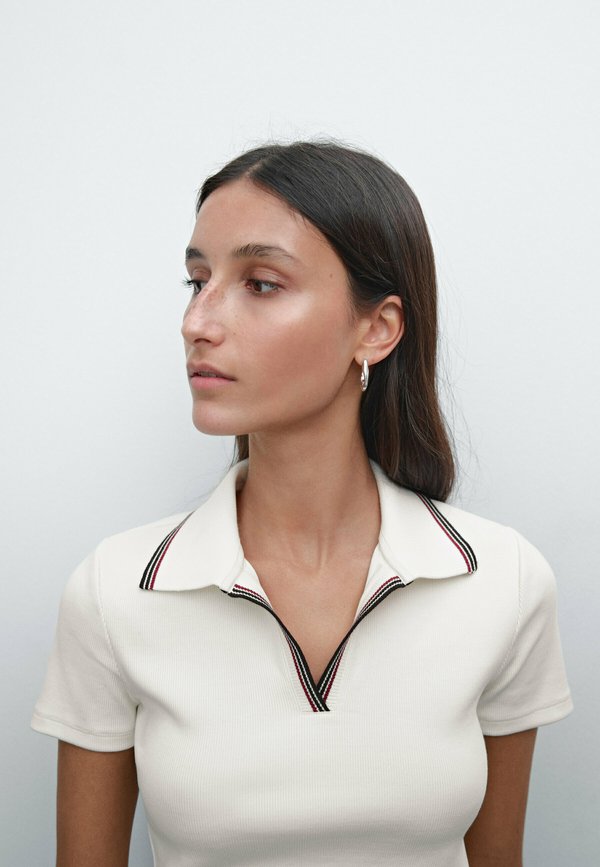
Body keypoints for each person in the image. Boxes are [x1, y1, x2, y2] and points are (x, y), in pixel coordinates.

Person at [31, 140, 574, 867]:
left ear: (376, 329)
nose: (197, 322)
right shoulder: (114, 590)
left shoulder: (503, 580)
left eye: (260, 283)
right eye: (197, 281)